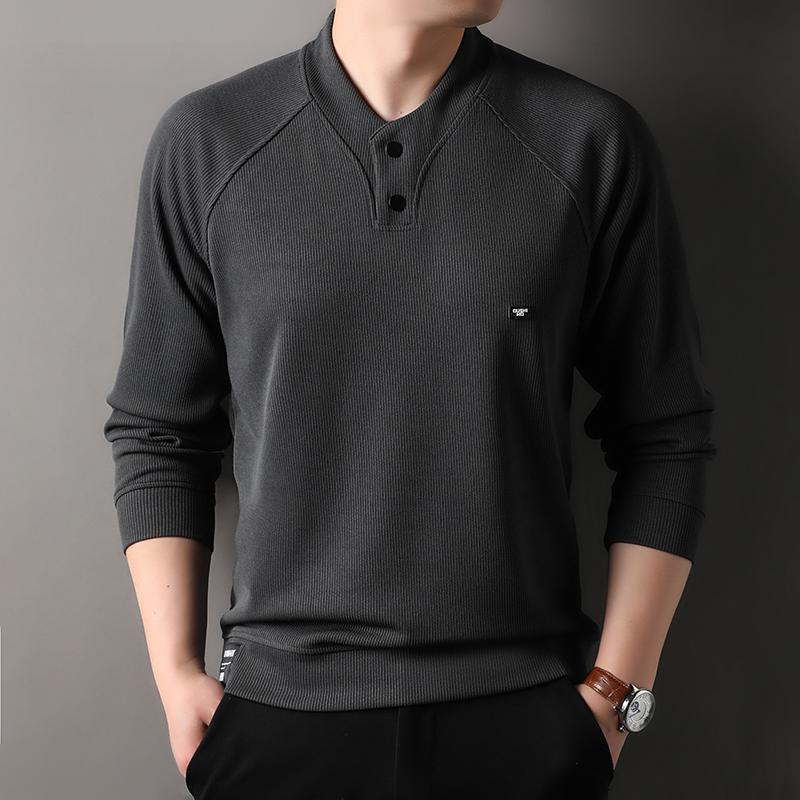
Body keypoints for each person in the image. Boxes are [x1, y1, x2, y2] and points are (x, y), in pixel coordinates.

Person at [102, 1, 717, 797]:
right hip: (278, 717)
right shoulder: (210, 141)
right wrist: (176, 678)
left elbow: (665, 430)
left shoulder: (587, 140)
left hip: (525, 723)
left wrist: (615, 694)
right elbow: (159, 432)